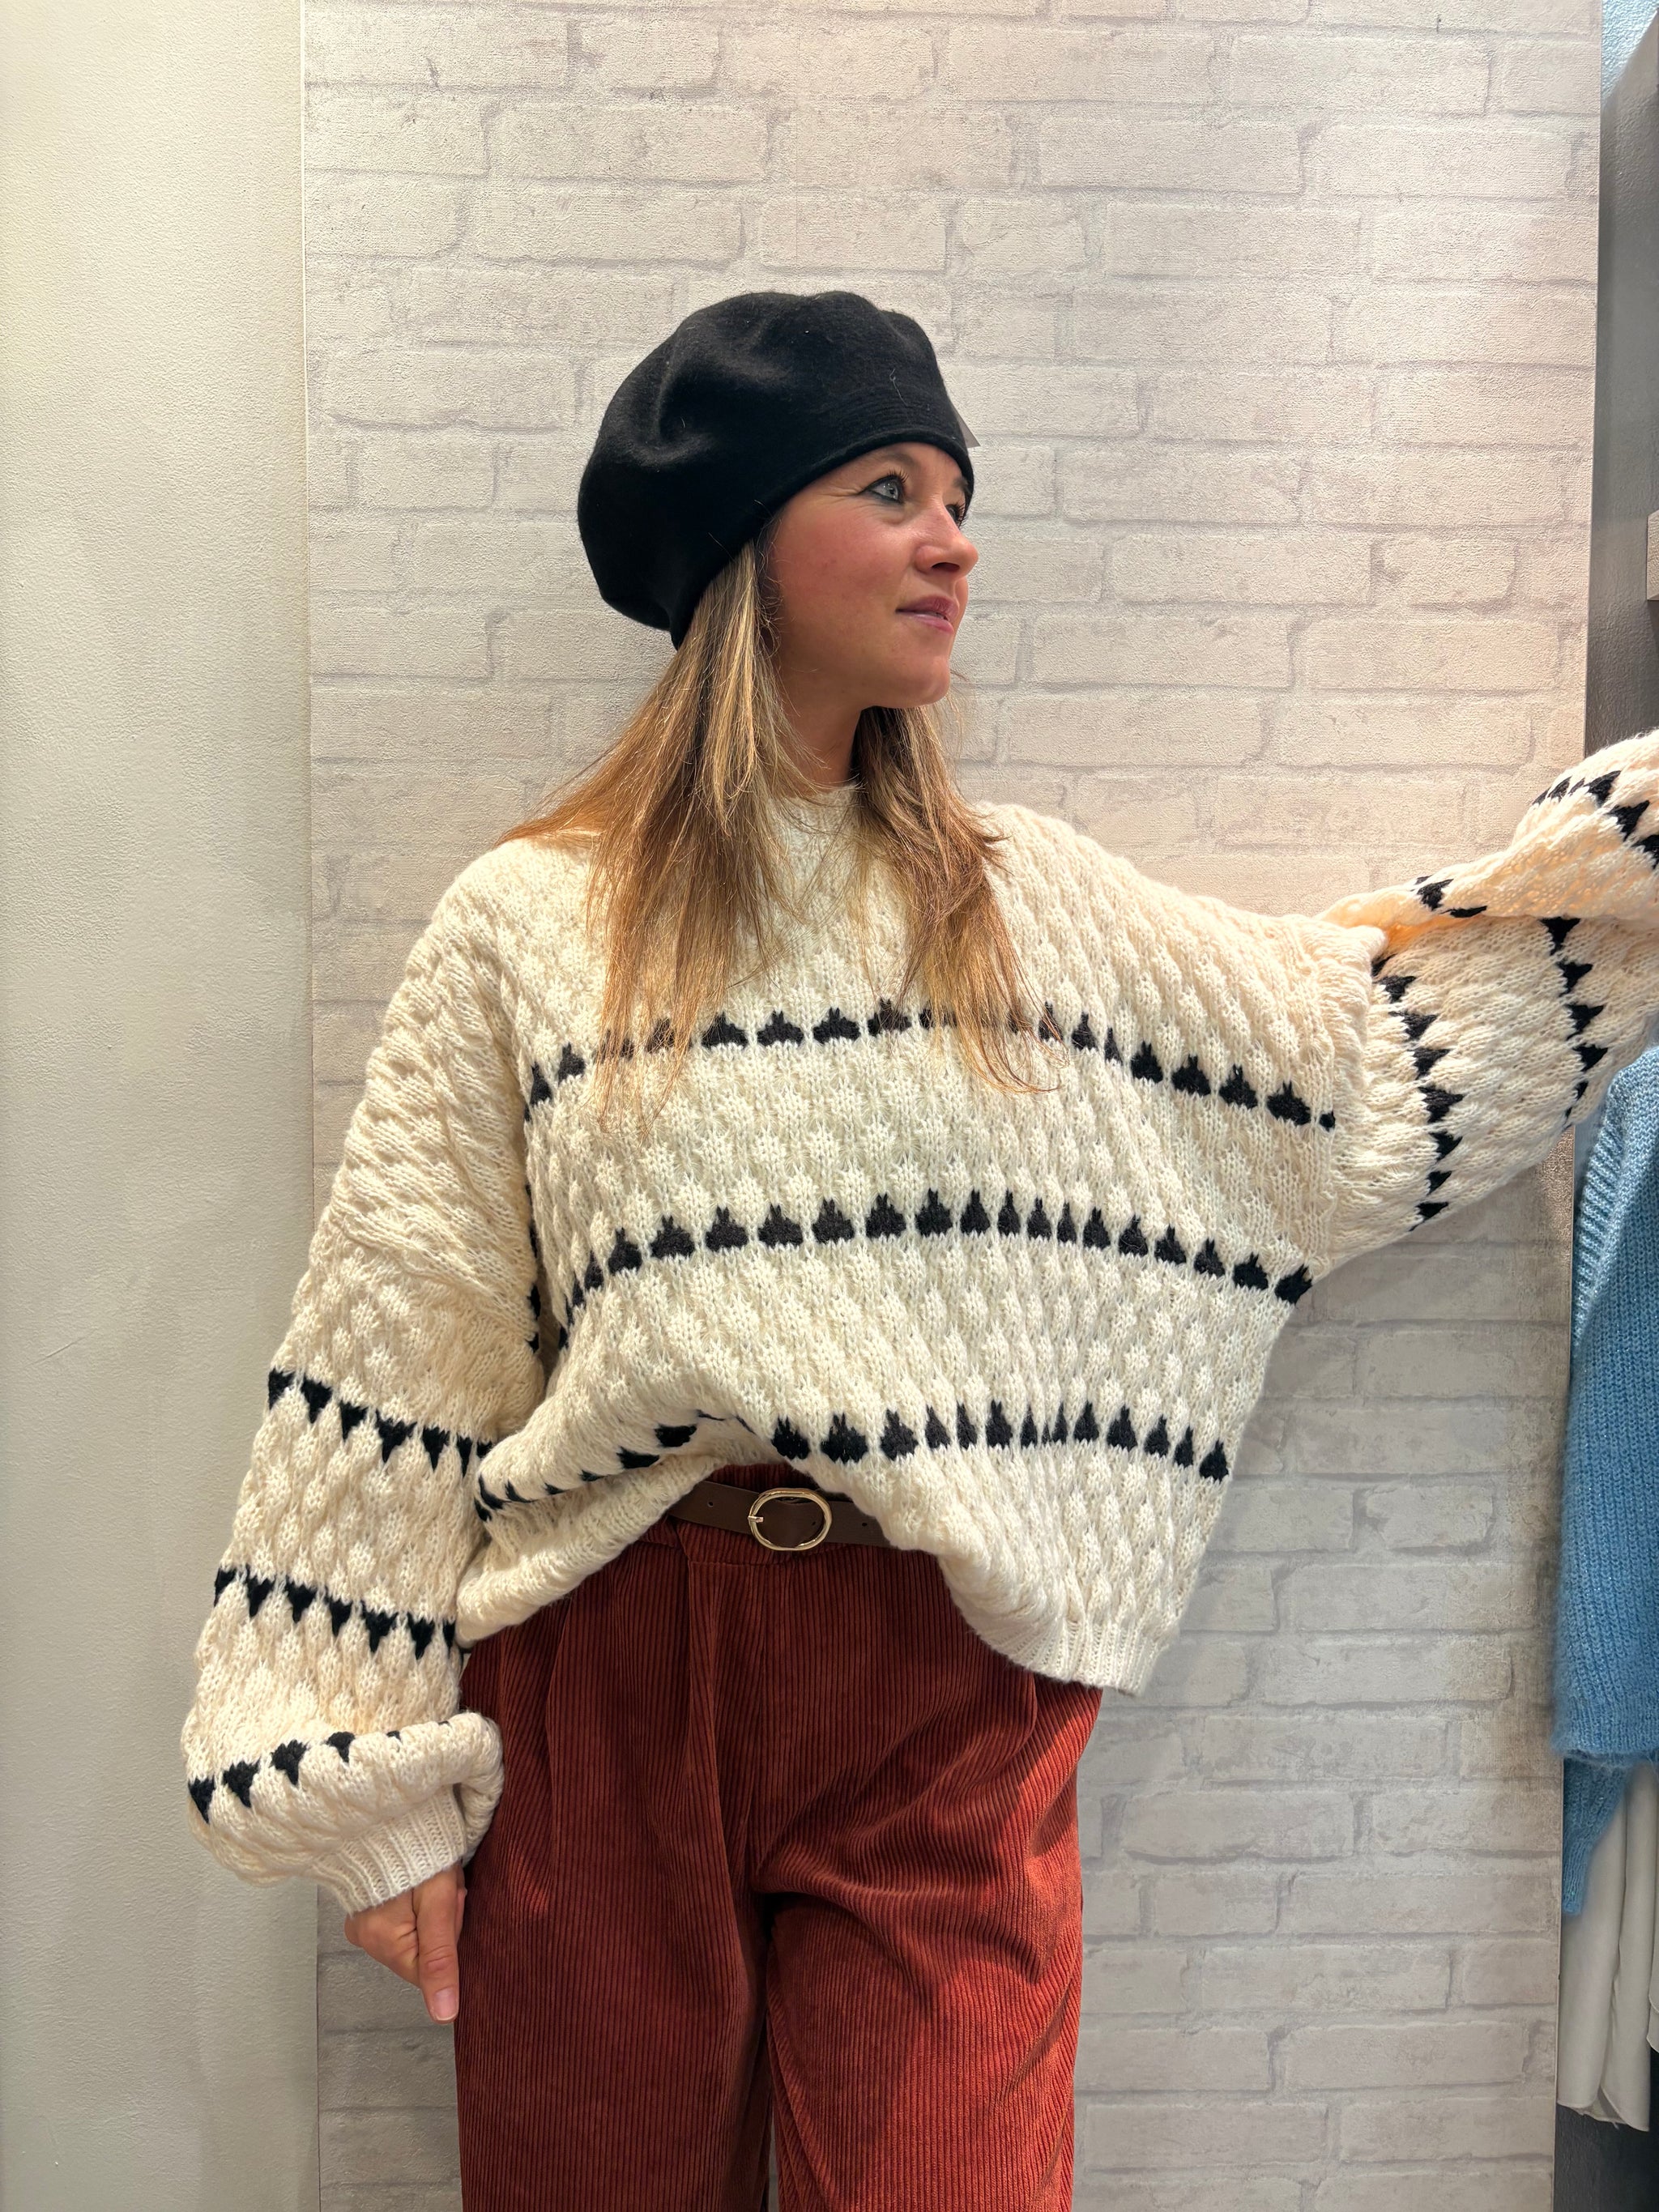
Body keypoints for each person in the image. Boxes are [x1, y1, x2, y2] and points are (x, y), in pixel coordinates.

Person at [181, 288, 1659, 2210]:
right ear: (744, 541)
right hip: (614, 1662)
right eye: (889, 489)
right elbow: (405, 1330)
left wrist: (1624, 865)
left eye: (958, 495)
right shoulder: (528, 923)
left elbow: (1354, 1068)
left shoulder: (1026, 909)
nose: (952, 539)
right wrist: (349, 1768)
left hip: (942, 1682)